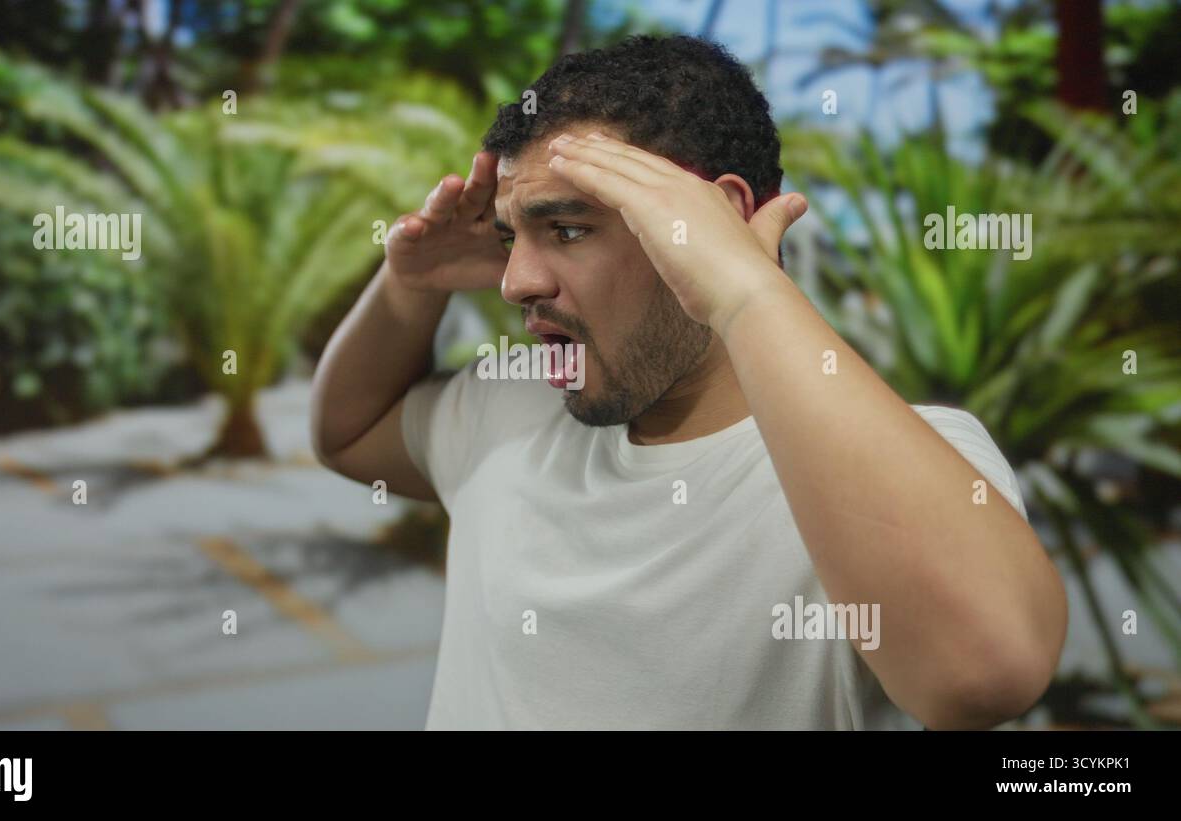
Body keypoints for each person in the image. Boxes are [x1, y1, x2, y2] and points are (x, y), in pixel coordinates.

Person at [310, 34, 1067, 730]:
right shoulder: (510, 405)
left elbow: (983, 673)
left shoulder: (907, 459)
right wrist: (410, 287)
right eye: (512, 237)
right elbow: (347, 432)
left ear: (718, 221)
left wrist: (742, 285)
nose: (515, 282)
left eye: (568, 229)